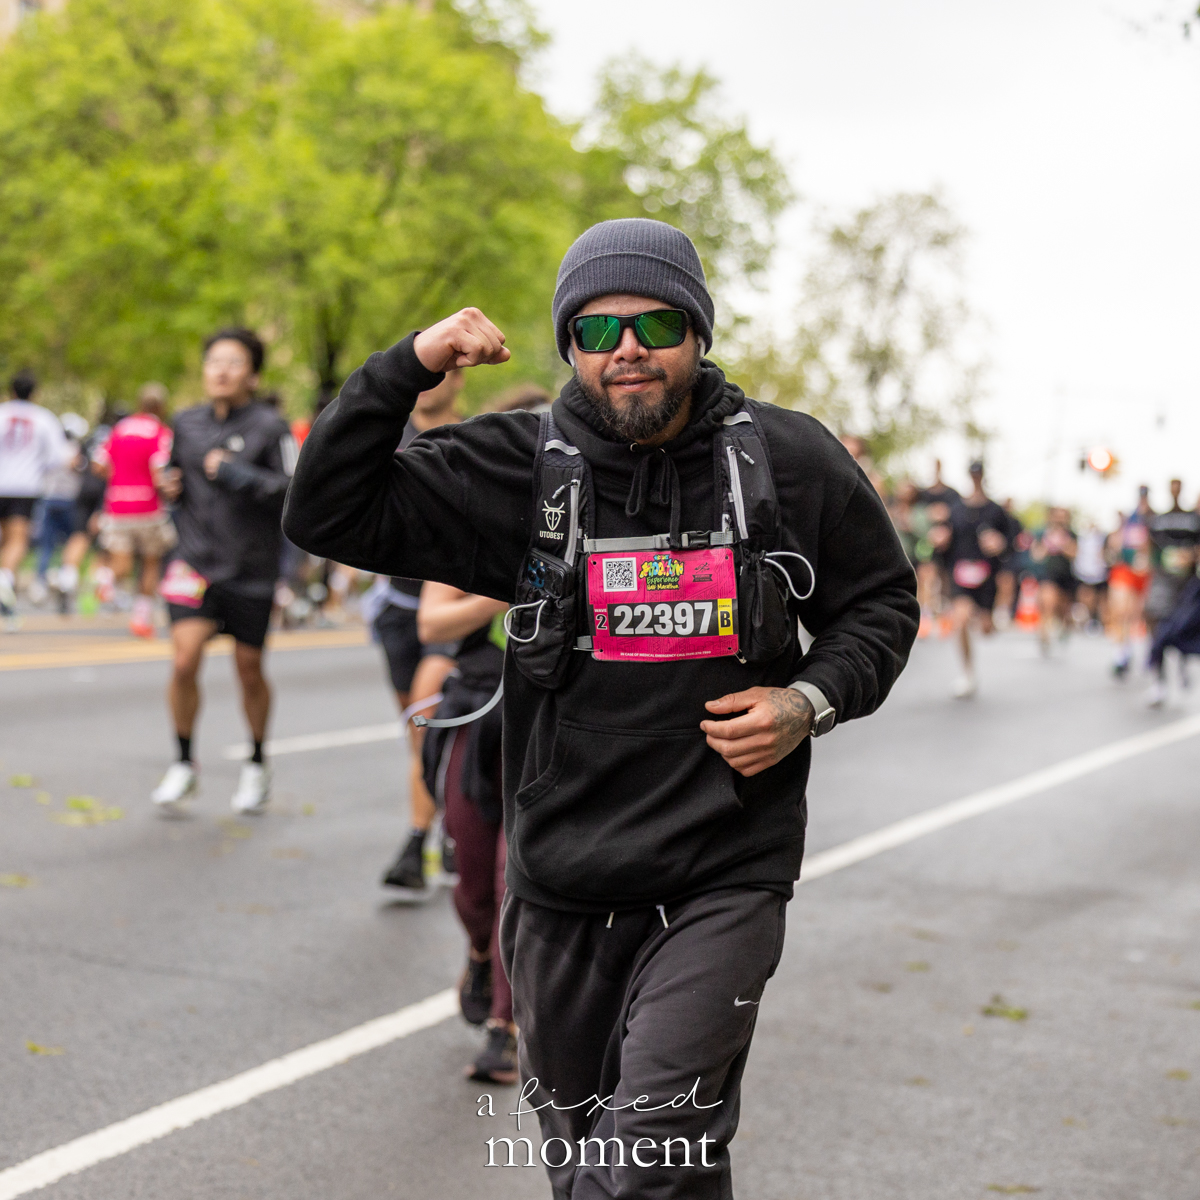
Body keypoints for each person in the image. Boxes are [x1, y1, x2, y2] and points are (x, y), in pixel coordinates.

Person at [284, 218, 918, 1198]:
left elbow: (881, 603)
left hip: (723, 879)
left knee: (644, 1165)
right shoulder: (518, 467)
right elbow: (324, 509)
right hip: (560, 888)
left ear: (697, 333)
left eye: (657, 323)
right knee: (608, 1172)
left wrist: (810, 698)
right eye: (597, 329)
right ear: (570, 346)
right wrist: (408, 366)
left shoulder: (789, 462)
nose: (629, 348)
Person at [150, 328, 297, 814]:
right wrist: (169, 488)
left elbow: (293, 490)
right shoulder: (185, 423)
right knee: (183, 661)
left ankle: (257, 762)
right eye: (214, 361)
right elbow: (175, 482)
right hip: (193, 564)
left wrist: (237, 473)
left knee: (248, 670)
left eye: (233, 362)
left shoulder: (271, 428)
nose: (221, 370)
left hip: (250, 567)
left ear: (252, 375)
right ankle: (184, 763)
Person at [415, 582, 514, 1082]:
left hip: (553, 719)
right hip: (478, 715)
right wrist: (507, 591)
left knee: (513, 883)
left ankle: (506, 1026)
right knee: (473, 886)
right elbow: (432, 623)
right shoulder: (480, 518)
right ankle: (479, 952)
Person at [373, 368, 467, 890]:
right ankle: (448, 826)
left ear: (460, 379)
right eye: (423, 370)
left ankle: (417, 843)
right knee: (418, 737)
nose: (430, 381)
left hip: (449, 602)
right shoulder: (387, 436)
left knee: (425, 720)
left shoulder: (471, 438)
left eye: (444, 372)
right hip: (397, 605)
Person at [92, 383, 177, 637]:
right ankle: (141, 618)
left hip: (117, 505)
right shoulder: (161, 433)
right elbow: (159, 470)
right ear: (161, 407)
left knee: (122, 562)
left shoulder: (119, 429)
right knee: (151, 562)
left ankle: (105, 578)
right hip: (148, 507)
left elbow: (98, 464)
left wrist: (118, 478)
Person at [0, 372, 71, 625]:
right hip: (25, 487)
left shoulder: (2, 412)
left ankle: (6, 587)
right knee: (17, 540)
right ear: (34, 393)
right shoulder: (43, 419)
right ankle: (5, 580)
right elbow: (58, 458)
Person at [937, 459, 1008, 697]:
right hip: (960, 574)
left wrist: (999, 544)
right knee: (961, 619)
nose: (975, 477)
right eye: (972, 474)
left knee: (986, 630)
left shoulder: (996, 511)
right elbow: (945, 541)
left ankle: (991, 618)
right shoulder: (956, 510)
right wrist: (940, 539)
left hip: (987, 578)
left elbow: (1011, 544)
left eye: (979, 474)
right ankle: (968, 674)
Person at [1143, 479, 1200, 706]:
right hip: (1163, 581)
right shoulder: (1158, 519)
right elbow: (1149, 546)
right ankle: (1159, 681)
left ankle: (1183, 662)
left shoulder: (1193, 520)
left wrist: (1191, 557)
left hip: (1187, 584)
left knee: (1182, 627)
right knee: (1156, 625)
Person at [30, 412, 89, 607]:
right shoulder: (76, 452)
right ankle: (64, 579)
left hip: (49, 500)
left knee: (46, 546)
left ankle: (41, 582)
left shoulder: (50, 450)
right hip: (68, 502)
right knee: (71, 543)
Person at [1106, 487, 1154, 677]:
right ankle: (1120, 654)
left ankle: (1143, 651)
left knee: (1139, 614)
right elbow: (1114, 544)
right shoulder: (1128, 521)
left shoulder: (1153, 519)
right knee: (1120, 611)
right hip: (1125, 569)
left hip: (1145, 572)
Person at [1030, 506, 1077, 655]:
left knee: (1062, 609)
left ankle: (1063, 627)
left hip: (1065, 576)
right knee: (1048, 603)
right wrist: (1048, 542)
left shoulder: (1071, 535)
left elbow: (1074, 553)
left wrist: (1062, 543)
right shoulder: (1041, 533)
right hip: (1047, 575)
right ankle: (1043, 635)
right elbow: (1036, 555)